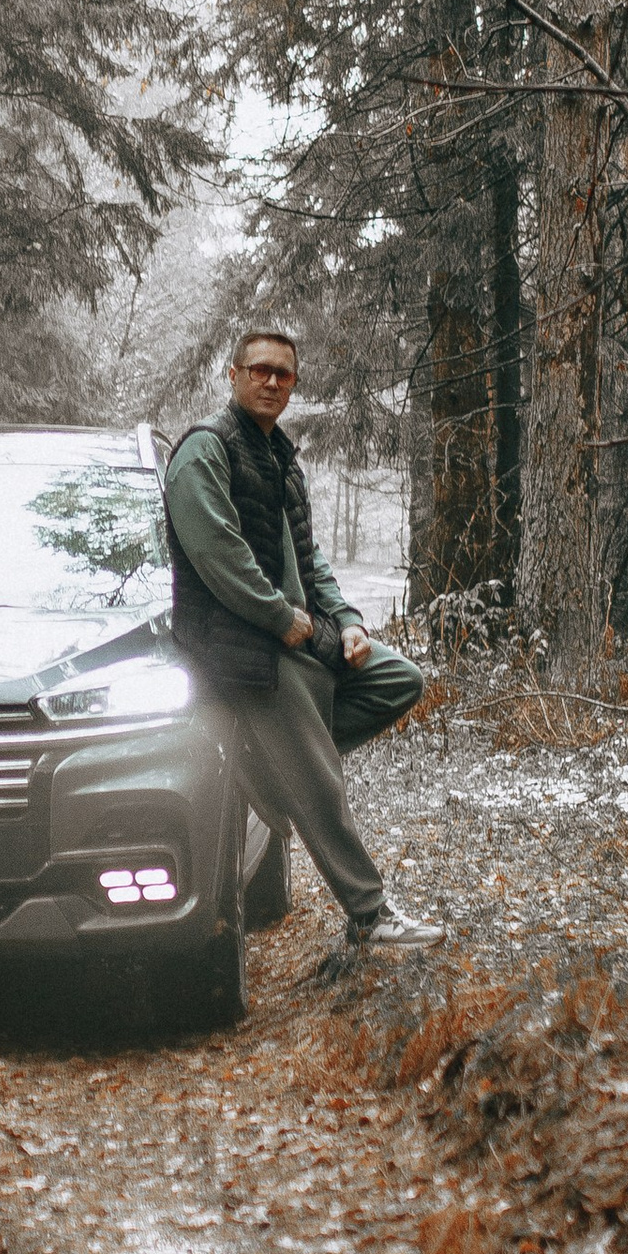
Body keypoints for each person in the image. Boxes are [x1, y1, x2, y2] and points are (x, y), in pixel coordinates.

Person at [163, 328, 443, 950]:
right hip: (243, 650)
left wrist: (348, 620)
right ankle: (369, 914)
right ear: (233, 375)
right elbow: (218, 556)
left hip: (297, 637)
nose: (270, 381)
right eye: (258, 370)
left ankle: (267, 767)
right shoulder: (205, 450)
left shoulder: (280, 459)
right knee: (318, 780)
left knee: (399, 679)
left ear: (293, 384)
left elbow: (309, 557)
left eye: (282, 374)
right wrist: (279, 618)